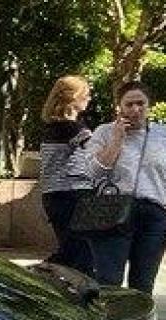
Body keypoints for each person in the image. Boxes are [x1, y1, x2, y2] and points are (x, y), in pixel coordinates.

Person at [89, 81, 166, 293]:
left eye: (140, 103)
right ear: (119, 107)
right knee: (108, 280)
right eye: (129, 104)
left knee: (143, 282)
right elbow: (95, 171)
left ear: (149, 105)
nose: (135, 110)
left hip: (154, 214)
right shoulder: (104, 132)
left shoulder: (162, 135)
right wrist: (116, 140)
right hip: (113, 210)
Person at [38, 75, 96, 273]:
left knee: (70, 251)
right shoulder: (73, 129)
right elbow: (98, 154)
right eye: (86, 95)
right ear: (73, 98)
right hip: (71, 196)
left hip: (53, 196)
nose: (89, 99)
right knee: (83, 257)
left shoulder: (51, 127)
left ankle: (46, 274)